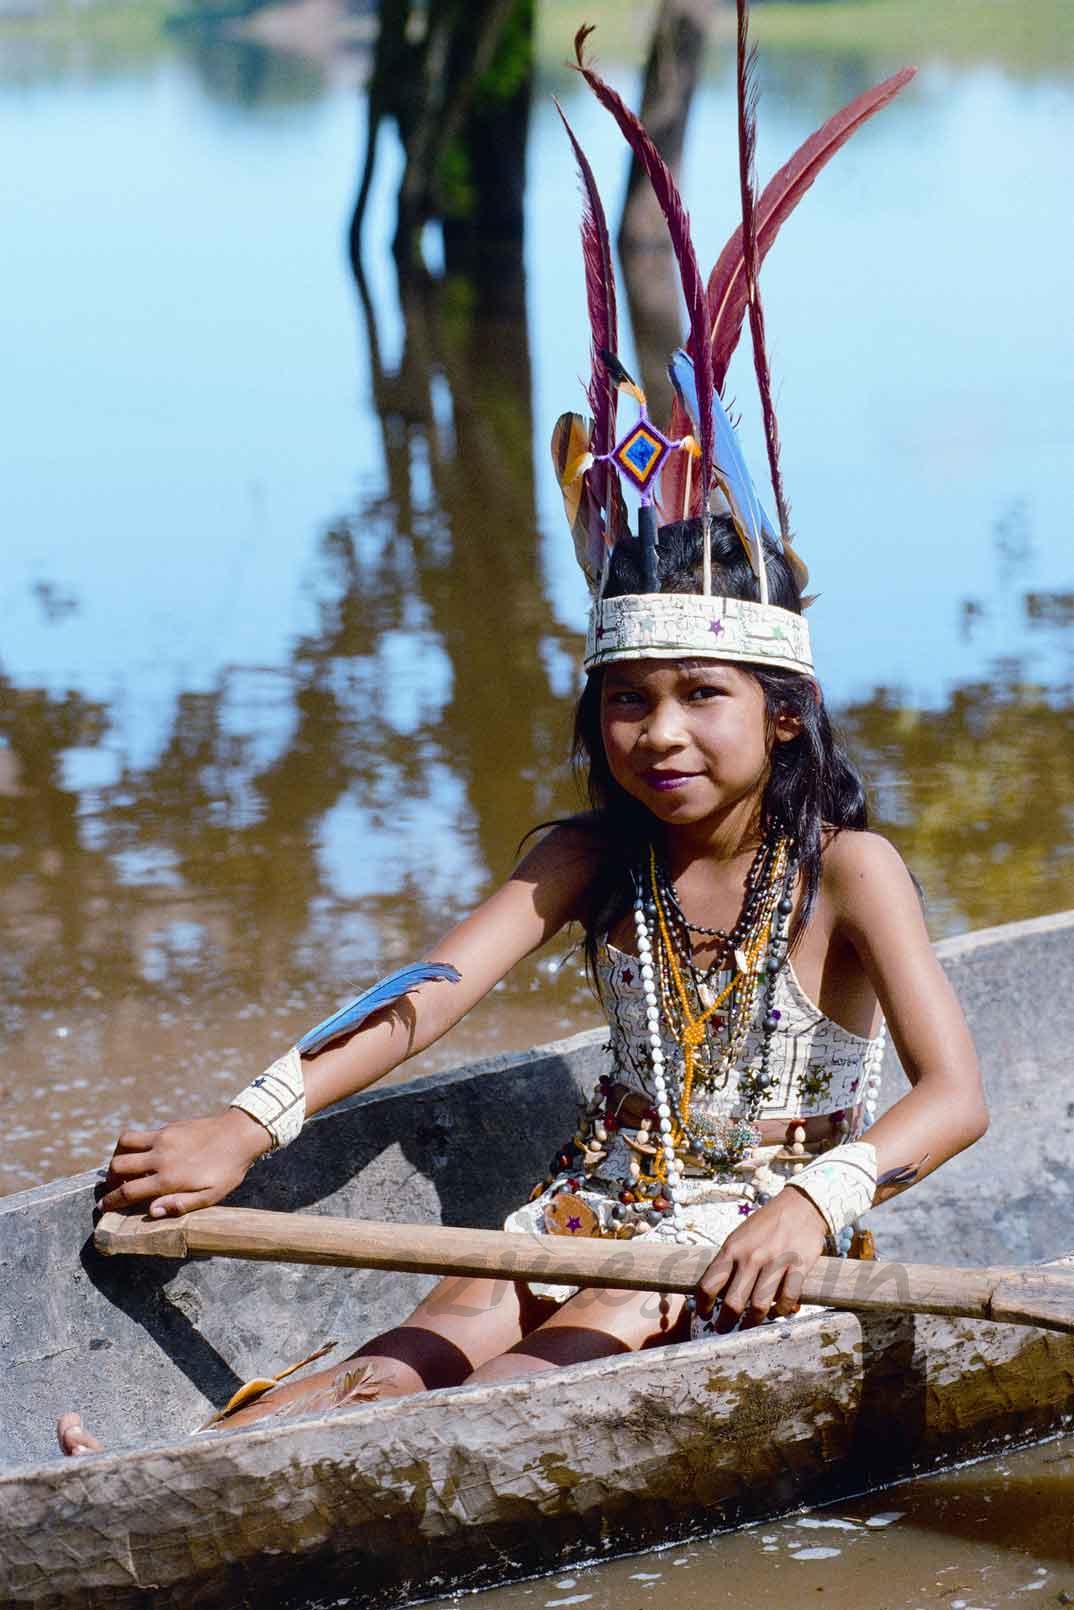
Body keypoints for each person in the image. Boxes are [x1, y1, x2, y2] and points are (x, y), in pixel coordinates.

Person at [57, 18, 985, 1454]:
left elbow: (957, 1096)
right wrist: (250, 1120)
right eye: (627, 700)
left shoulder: (847, 869)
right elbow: (425, 994)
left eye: (698, 698)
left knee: (508, 1403)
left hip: (749, 1242)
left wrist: (817, 1198)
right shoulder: (584, 856)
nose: (658, 733)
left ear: (783, 712)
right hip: (585, 1206)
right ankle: (177, 1459)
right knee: (382, 1377)